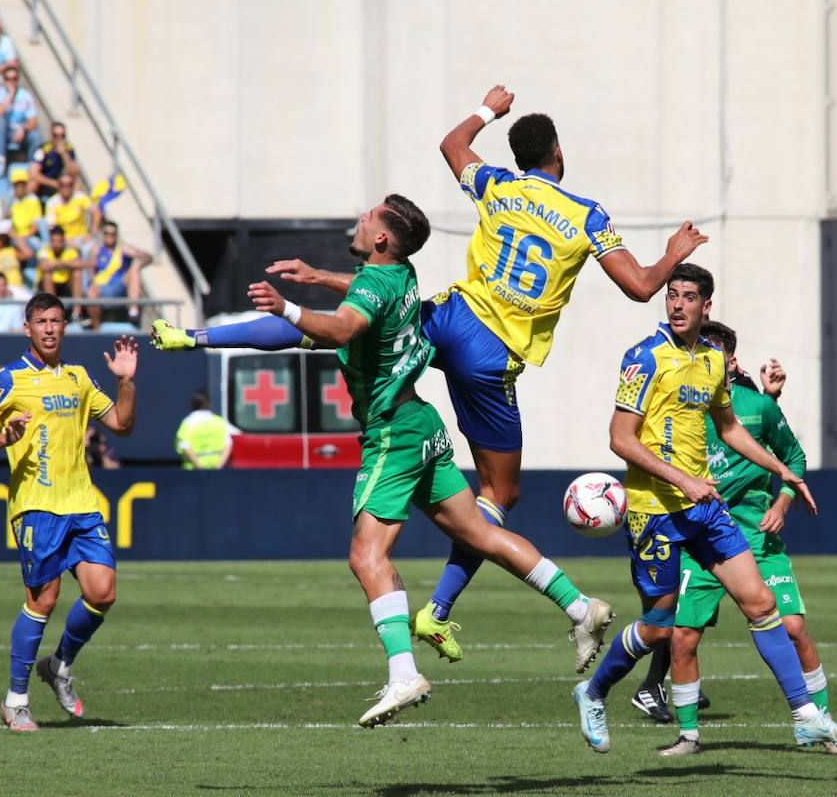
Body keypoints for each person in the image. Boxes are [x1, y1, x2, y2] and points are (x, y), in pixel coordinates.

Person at [150, 86, 706, 662]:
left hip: (450, 318)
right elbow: (641, 286)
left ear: (520, 156)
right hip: (491, 357)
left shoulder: (498, 184)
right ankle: (440, 611)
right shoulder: (588, 215)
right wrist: (671, 252)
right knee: (500, 493)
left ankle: (202, 337)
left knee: (360, 325)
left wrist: (489, 109)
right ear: (558, 153)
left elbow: (452, 143)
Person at [157, 195, 614, 727]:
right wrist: (204, 336)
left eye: (368, 216)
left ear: (380, 239)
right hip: (422, 423)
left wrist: (286, 303)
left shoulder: (369, 292)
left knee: (365, 556)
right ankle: (582, 608)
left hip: (393, 435)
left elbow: (337, 328)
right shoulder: (400, 274)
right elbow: (312, 324)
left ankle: (403, 674)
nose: (359, 216)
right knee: (481, 533)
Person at [569, 263, 837, 755]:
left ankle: (806, 716)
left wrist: (783, 471)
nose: (678, 304)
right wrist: (684, 479)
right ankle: (593, 691)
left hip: (705, 510)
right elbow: (620, 438)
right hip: (655, 512)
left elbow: (729, 428)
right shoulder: (644, 357)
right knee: (661, 627)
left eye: (688, 297)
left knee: (763, 605)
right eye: (672, 295)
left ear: (707, 307)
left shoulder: (710, 360)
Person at [629, 321, 837, 753]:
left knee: (793, 627)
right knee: (682, 636)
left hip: (756, 538)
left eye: (710, 353)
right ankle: (689, 735)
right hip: (701, 538)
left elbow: (794, 456)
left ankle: (819, 723)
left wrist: (782, 503)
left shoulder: (756, 409)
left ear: (730, 361)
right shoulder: (681, 410)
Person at [0, 295, 138, 732]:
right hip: (37, 506)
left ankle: (58, 664)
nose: (50, 329)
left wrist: (126, 383)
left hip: (81, 504)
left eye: (57, 321)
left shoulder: (78, 378)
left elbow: (121, 424)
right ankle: (15, 700)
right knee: (44, 600)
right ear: (28, 328)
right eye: (41, 322)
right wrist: (5, 438)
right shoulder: (9, 379)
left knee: (104, 592)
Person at [86, 220, 150, 327]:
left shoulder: (123, 248)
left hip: (118, 285)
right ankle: (96, 328)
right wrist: (93, 283)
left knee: (134, 270)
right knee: (91, 292)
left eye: (113, 234)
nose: (109, 236)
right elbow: (91, 270)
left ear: (116, 235)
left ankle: (133, 310)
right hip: (101, 287)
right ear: (103, 234)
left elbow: (148, 257)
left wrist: (139, 263)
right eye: (106, 233)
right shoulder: (96, 250)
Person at [175, 390, 239, 470]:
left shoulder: (187, 424)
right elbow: (228, 444)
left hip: (193, 472)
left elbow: (185, 446)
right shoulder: (220, 422)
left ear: (193, 404)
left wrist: (200, 468)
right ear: (209, 403)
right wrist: (218, 468)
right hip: (216, 472)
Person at [0, 66, 39, 161]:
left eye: (14, 79)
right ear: (4, 80)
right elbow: (0, 112)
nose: (12, 82)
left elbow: (33, 122)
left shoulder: (26, 96)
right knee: (0, 121)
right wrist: (11, 94)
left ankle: (33, 166)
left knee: (35, 136)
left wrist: (23, 129)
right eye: (8, 79)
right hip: (2, 131)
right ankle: (0, 157)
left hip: (18, 131)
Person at [30, 123, 77, 199]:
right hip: (45, 182)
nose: (59, 138)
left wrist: (64, 155)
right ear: (51, 136)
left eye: (62, 136)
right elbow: (33, 173)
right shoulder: (43, 150)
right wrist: (54, 183)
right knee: (33, 184)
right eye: (56, 135)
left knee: (77, 187)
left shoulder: (69, 149)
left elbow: (74, 174)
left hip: (63, 183)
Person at [44, 174, 91, 250]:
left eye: (70, 185)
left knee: (95, 249)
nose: (67, 188)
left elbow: (96, 211)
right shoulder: (52, 203)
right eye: (63, 185)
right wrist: (67, 241)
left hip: (82, 237)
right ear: (58, 187)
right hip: (62, 240)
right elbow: (51, 228)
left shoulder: (80, 197)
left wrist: (93, 232)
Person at [36, 227, 82, 303]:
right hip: (45, 286)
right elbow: (44, 266)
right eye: (54, 241)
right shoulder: (44, 251)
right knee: (47, 275)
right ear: (50, 241)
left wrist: (57, 263)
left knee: (77, 273)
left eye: (59, 241)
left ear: (64, 241)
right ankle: (52, 305)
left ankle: (77, 311)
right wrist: (68, 263)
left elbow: (81, 264)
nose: (57, 244)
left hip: (65, 284)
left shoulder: (70, 251)